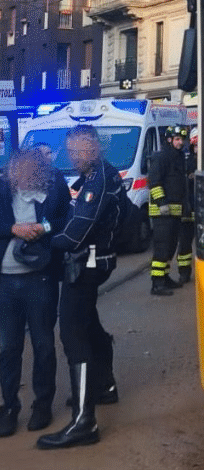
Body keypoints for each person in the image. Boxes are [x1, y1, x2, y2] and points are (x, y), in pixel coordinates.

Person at [37, 124, 125, 449]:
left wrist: (41, 242)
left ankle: (84, 423)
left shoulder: (98, 179)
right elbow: (71, 218)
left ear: (92, 148)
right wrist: (45, 226)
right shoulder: (93, 175)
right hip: (92, 262)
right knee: (89, 324)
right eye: (70, 151)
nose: (73, 157)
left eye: (78, 150)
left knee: (73, 333)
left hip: (84, 265)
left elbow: (75, 234)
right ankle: (105, 387)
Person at [0, 149, 71, 437]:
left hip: (40, 278)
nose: (23, 175)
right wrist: (13, 228)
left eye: (30, 170)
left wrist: (43, 227)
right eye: (19, 171)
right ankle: (8, 407)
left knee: (43, 344)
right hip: (5, 281)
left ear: (41, 171)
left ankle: (42, 404)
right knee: (7, 347)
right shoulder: (3, 191)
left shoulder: (55, 189)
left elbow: (65, 220)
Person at [147, 125, 189, 296]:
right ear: (170, 140)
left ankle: (164, 278)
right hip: (162, 212)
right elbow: (154, 182)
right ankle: (157, 283)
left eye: (182, 140)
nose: (180, 143)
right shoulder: (161, 157)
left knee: (170, 247)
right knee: (162, 248)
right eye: (177, 139)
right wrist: (162, 203)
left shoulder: (179, 157)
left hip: (175, 211)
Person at [176, 128, 198, 284]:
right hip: (188, 209)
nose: (197, 148)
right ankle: (184, 273)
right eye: (195, 145)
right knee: (184, 244)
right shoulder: (186, 160)